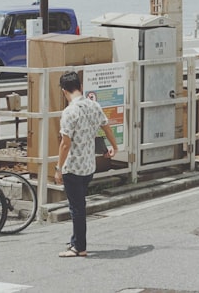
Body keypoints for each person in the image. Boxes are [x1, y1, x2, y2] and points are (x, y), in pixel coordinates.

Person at [54, 70, 118, 258]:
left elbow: (65, 144)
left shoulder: (69, 112)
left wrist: (58, 168)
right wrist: (114, 147)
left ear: (64, 91)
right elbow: (106, 127)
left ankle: (79, 247)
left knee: (77, 208)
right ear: (81, 87)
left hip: (73, 167)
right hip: (89, 166)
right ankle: (76, 240)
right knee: (79, 205)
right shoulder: (94, 105)